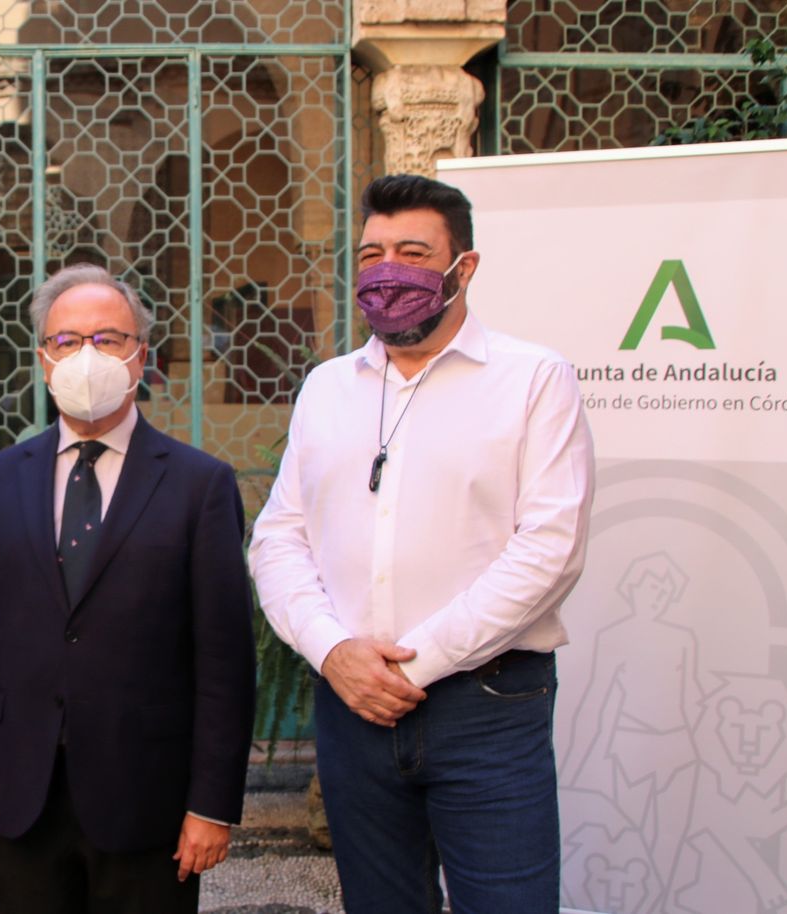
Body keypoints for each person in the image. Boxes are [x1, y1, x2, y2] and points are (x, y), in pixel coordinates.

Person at [249, 174, 596, 914]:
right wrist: (334, 651)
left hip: (486, 706)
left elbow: (550, 549)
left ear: (462, 268)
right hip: (350, 707)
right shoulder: (327, 388)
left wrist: (417, 665)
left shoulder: (534, 380)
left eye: (412, 251)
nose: (386, 270)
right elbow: (279, 538)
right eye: (372, 253)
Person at [0, 263, 256, 914]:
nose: (87, 355)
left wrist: (212, 804)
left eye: (108, 339)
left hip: (149, 796)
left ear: (142, 356)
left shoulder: (200, 485)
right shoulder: (0, 478)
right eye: (66, 340)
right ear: (42, 359)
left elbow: (224, 659)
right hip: (23, 790)